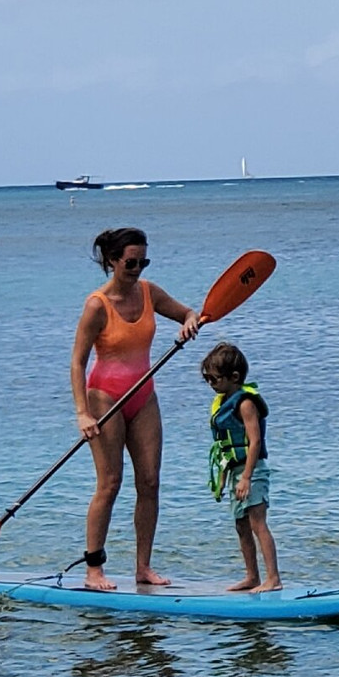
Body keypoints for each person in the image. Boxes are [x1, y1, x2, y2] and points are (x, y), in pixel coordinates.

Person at [71, 227, 200, 590]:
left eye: (143, 262)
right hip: (105, 398)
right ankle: (94, 570)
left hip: (143, 396)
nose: (137, 269)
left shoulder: (149, 292)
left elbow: (189, 313)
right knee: (110, 482)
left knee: (150, 481)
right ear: (112, 261)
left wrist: (190, 321)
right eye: (131, 262)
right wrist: (82, 413)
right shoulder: (97, 305)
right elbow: (77, 362)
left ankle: (143, 568)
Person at [202, 342, 282, 592]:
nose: (210, 384)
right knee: (241, 525)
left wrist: (247, 477)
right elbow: (225, 446)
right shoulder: (223, 402)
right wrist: (223, 479)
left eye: (214, 379)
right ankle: (252, 576)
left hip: (253, 471)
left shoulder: (245, 403)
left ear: (234, 377)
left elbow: (254, 441)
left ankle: (274, 579)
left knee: (257, 522)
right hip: (236, 472)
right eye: (207, 379)